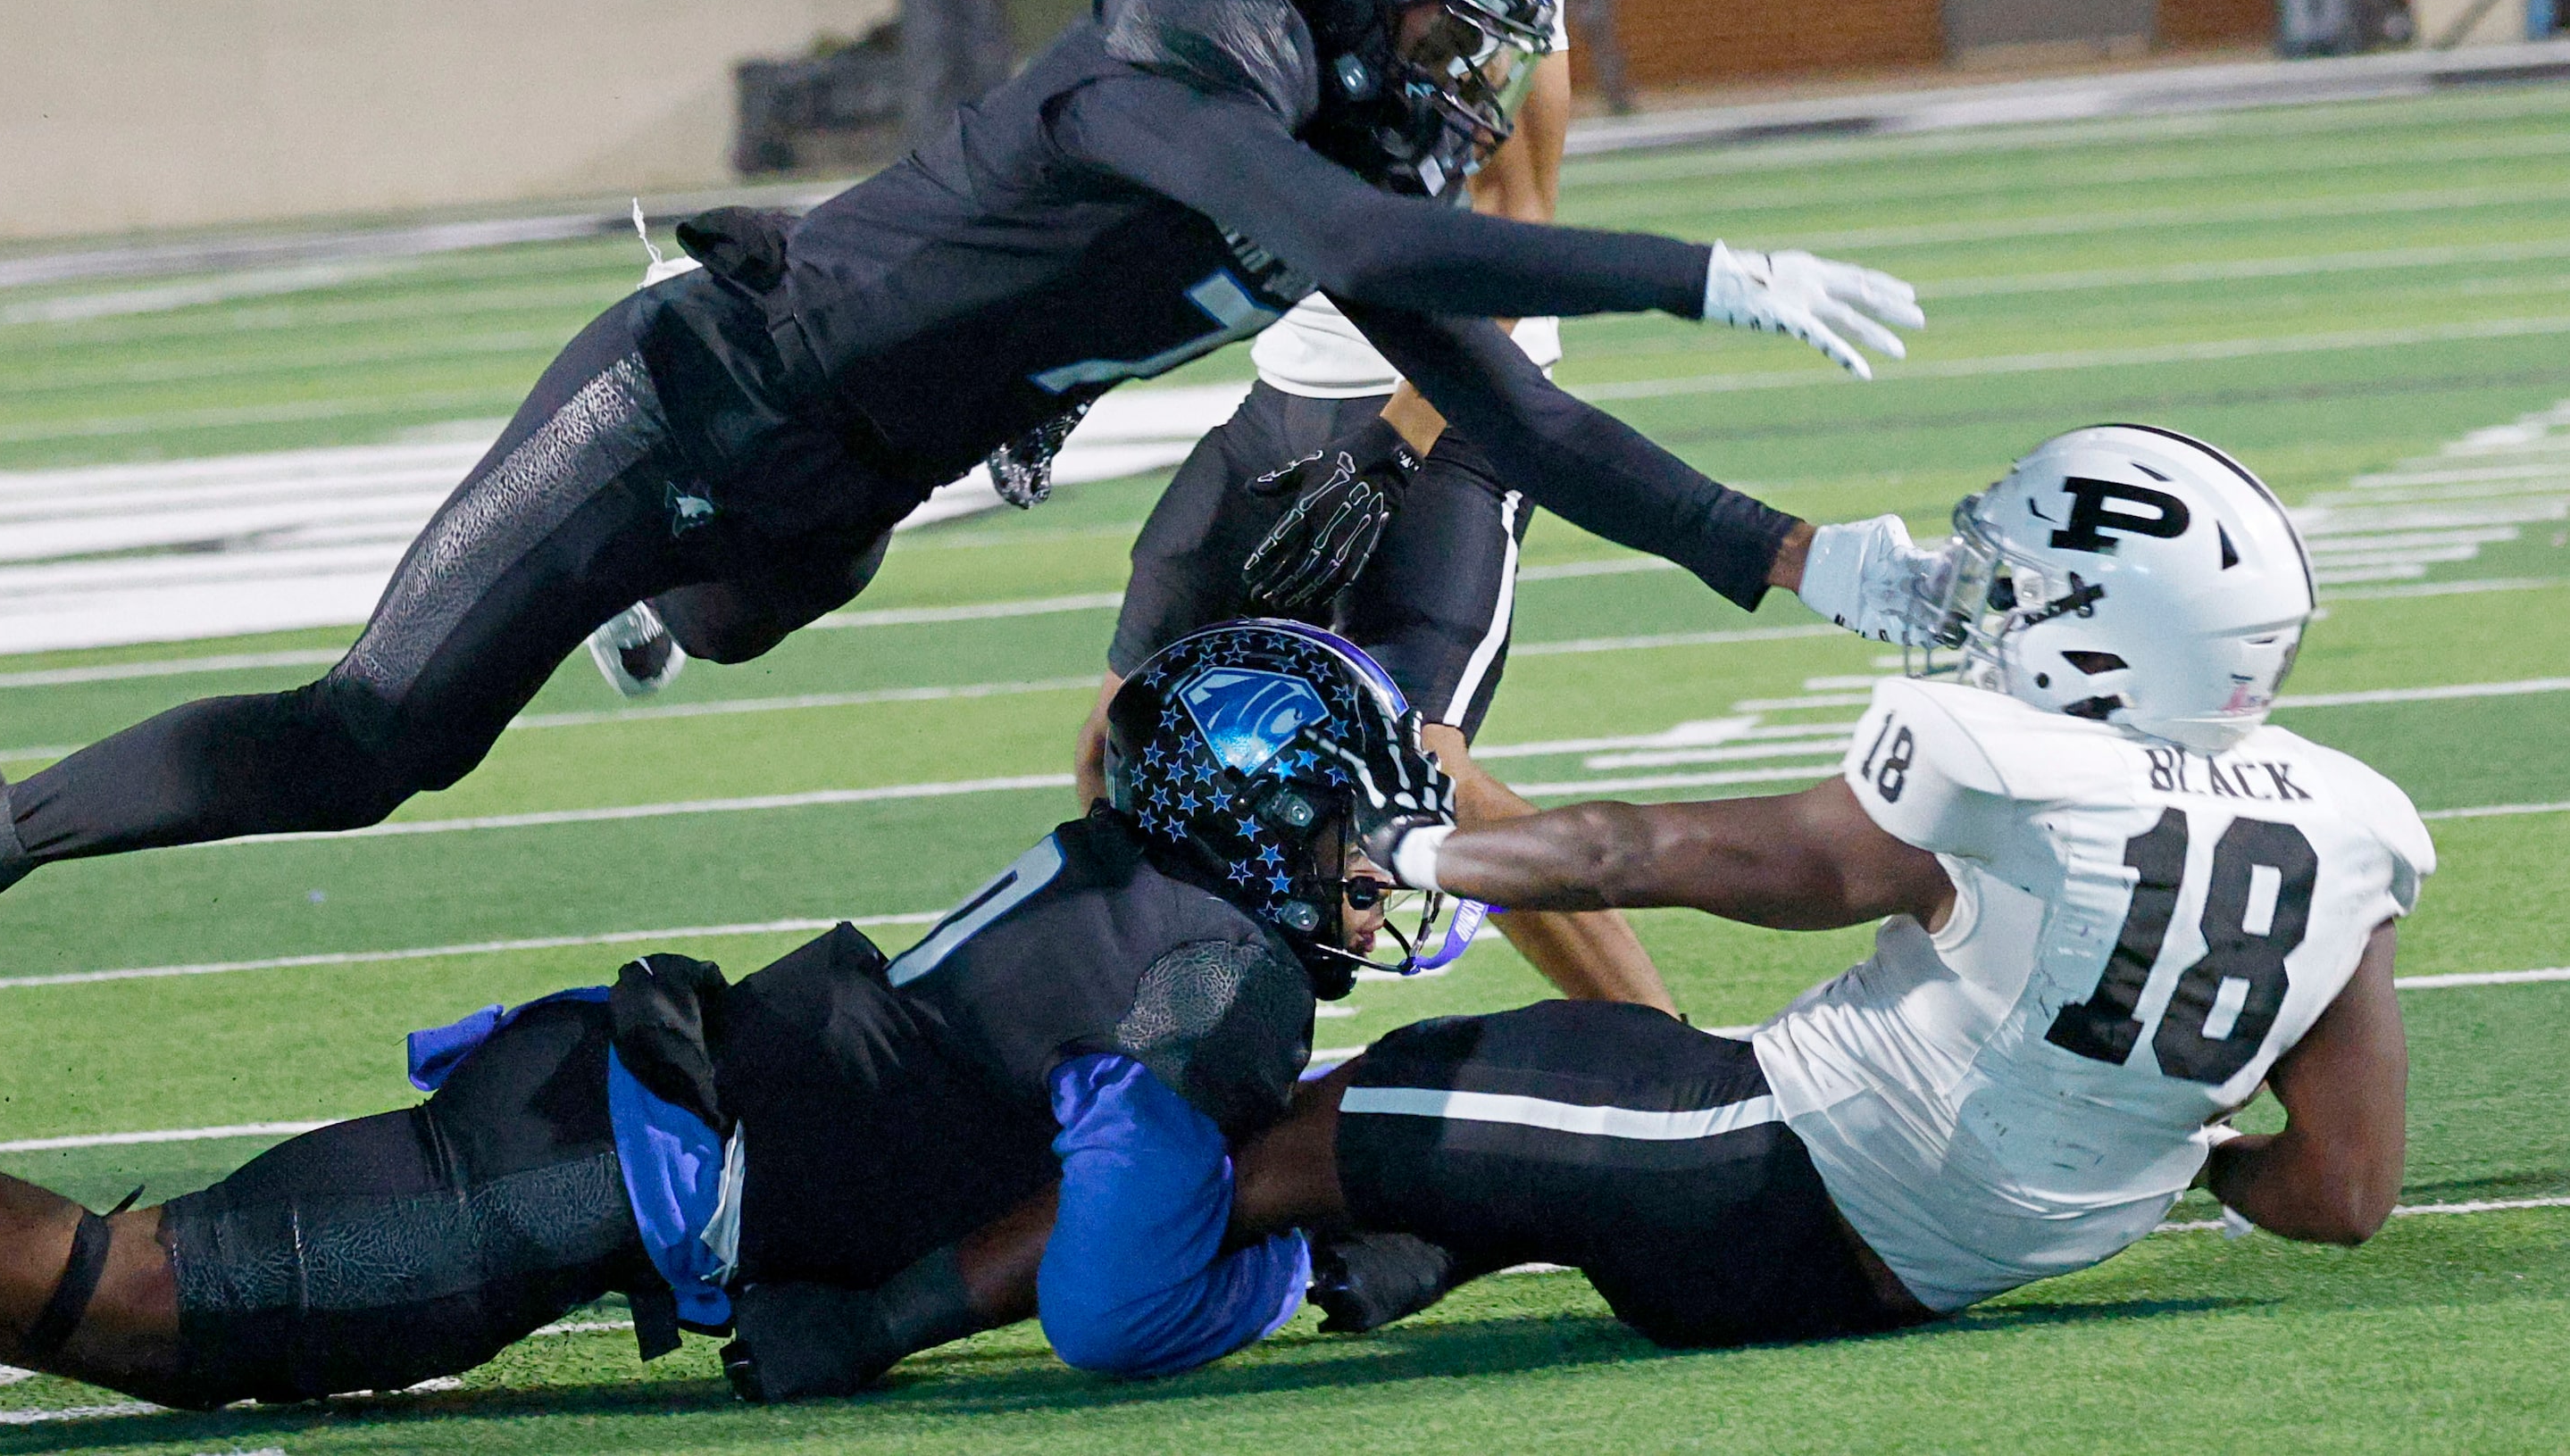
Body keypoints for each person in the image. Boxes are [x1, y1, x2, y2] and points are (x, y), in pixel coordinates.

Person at [0, 0, 1937, 1031]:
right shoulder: (1183, 60)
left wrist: (1817, 559)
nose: (1460, 70)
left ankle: (679, 599)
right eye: (1433, 11)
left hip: (854, 468)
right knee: (384, 739)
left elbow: (1530, 426)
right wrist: (1700, 274)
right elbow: (1369, 255)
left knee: (747, 611)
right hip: (699, 399)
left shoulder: (1325, 108)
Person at [765, 423, 2425, 1379]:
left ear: (2104, 635)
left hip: (1771, 1188)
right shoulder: (2351, 817)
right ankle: (1430, 1244)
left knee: (1315, 1124)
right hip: (1949, 1246)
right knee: (1564, 1116)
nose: (1983, 608)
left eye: (2019, 589)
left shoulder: (2010, 763)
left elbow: (1663, 858)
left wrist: (1414, 852)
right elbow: (2343, 1187)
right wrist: (2161, 1146)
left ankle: (873, 1320)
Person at [0, 623, 1456, 1408]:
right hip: (614, 1161)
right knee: (136, 1300)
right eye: (1347, 825)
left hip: (623, 1117)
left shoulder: (1167, 914)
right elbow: (1100, 1237)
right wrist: (875, 1332)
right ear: (1256, 811)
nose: (1375, 865)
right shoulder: (1220, 975)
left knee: (154, 1311)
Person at [1064, 0, 1673, 1011]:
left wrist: (1395, 447)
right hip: (1282, 392)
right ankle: (1183, 1043)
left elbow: (1517, 209)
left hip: (1454, 401)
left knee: (1416, 767)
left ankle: (1669, 1048)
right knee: (1123, 744)